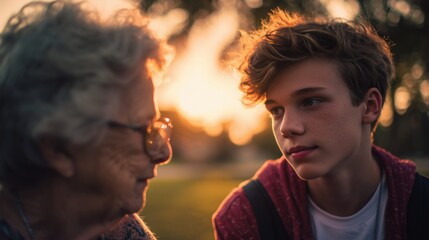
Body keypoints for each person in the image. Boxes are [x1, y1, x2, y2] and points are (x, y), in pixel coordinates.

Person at [212, 9, 429, 240]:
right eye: (276, 110)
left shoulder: (421, 206)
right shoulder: (246, 216)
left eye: (311, 101)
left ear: (370, 106)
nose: (286, 127)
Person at [0, 1, 173, 239]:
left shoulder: (121, 231)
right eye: (143, 130)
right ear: (57, 147)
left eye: (156, 127)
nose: (164, 153)